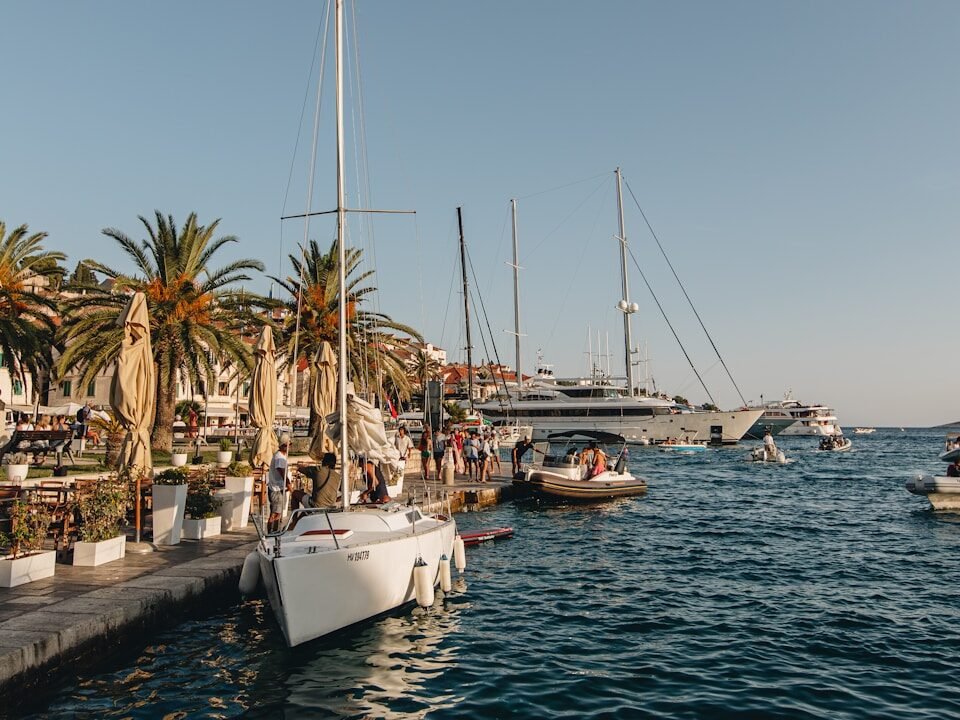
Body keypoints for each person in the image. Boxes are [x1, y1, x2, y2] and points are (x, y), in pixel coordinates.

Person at [267, 433, 290, 533]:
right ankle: (271, 532)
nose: (289, 447)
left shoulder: (282, 456)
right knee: (275, 513)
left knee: (278, 513)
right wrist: (289, 484)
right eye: (287, 445)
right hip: (276, 489)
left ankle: (275, 531)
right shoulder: (279, 457)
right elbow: (282, 472)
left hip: (280, 489)